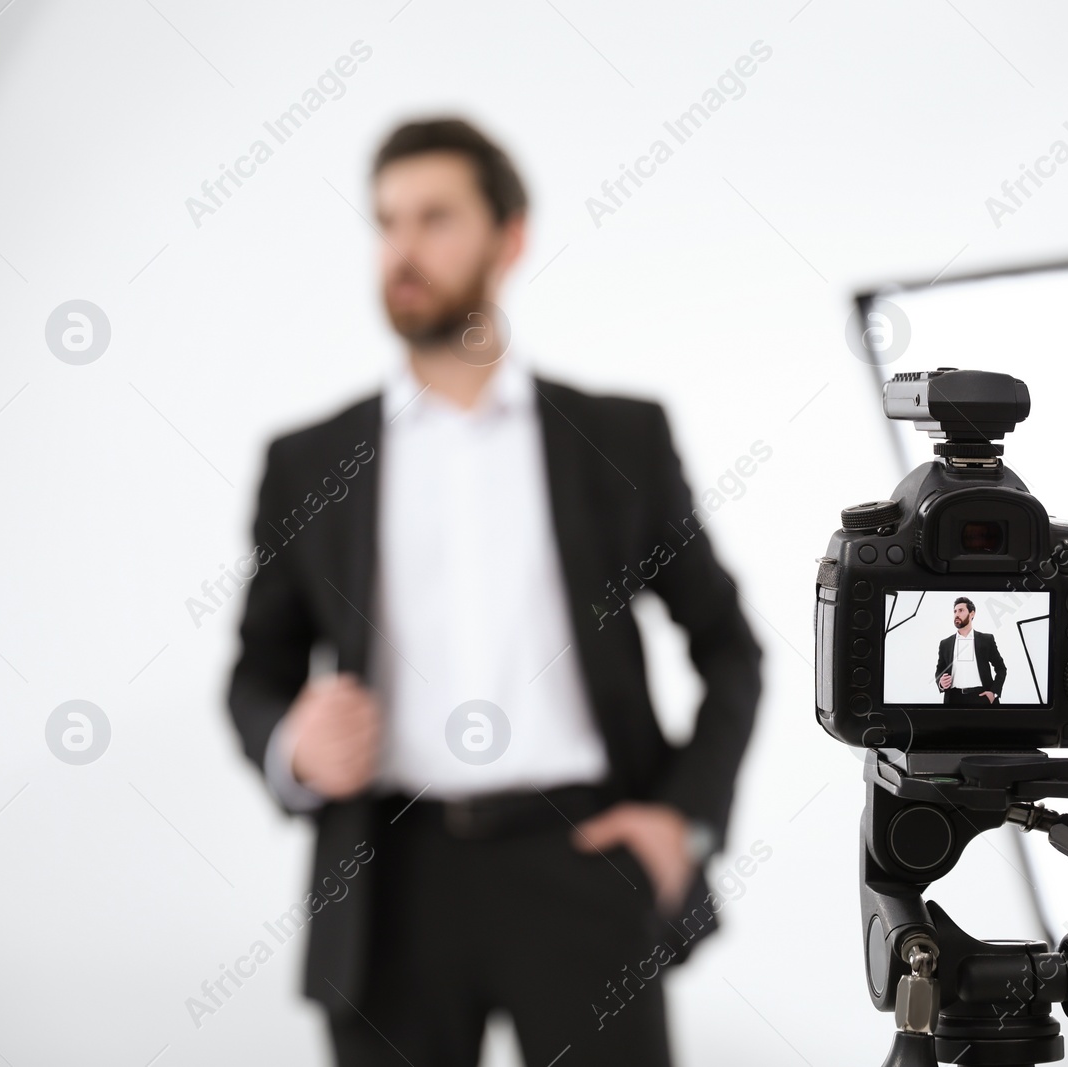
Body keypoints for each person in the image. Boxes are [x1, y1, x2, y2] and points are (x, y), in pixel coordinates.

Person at [226, 117, 762, 1067]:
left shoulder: (618, 441)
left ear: (509, 237)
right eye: (387, 221)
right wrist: (290, 745)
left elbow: (730, 647)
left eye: (436, 218)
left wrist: (685, 817)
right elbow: (254, 674)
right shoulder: (307, 463)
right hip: (386, 885)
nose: (403, 249)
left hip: (584, 866)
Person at [934, 596, 1006, 706]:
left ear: (972, 614)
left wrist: (994, 692)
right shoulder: (945, 644)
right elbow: (939, 671)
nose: (956, 614)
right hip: (953, 700)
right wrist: (941, 683)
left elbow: (1001, 668)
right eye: (955, 611)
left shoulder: (986, 640)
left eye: (961, 610)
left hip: (982, 698)